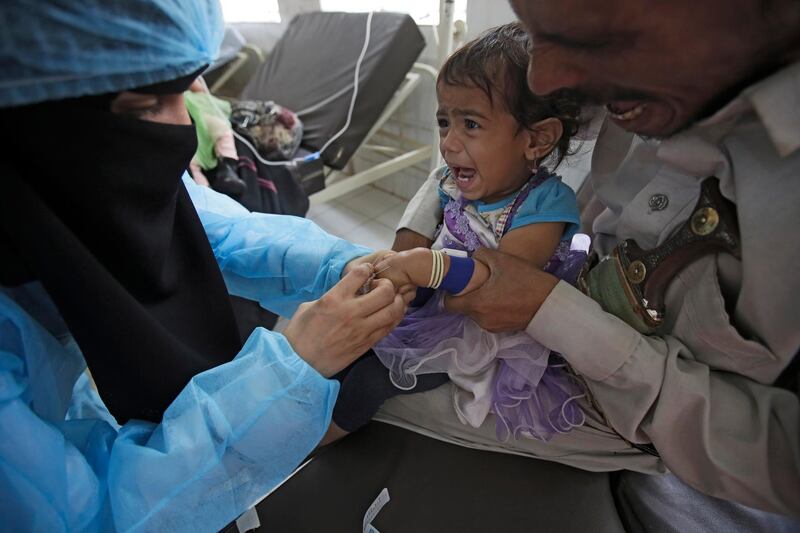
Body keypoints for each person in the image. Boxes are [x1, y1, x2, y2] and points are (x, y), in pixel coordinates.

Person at [383, 0, 800, 525]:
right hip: (538, 318)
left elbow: (781, 459)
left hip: (619, 409)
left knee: (351, 381)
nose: (547, 75)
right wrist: (410, 237)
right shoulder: (632, 77)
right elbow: (470, 145)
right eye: (542, 35)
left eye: (597, 37)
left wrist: (554, 313)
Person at [0, 1, 412, 531]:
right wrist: (291, 370)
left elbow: (226, 234)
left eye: (190, 92)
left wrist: (356, 266)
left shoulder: (54, 187)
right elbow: (100, 517)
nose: (183, 133)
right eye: (146, 105)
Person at [326, 23, 587, 445]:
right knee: (348, 338)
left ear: (537, 139)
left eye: (470, 124)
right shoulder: (453, 180)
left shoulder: (545, 206)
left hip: (481, 329)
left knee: (372, 380)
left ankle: (319, 440)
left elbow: (503, 281)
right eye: (445, 122)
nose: (448, 143)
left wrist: (423, 266)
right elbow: (417, 226)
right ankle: (309, 398)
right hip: (434, 297)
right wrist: (397, 262)